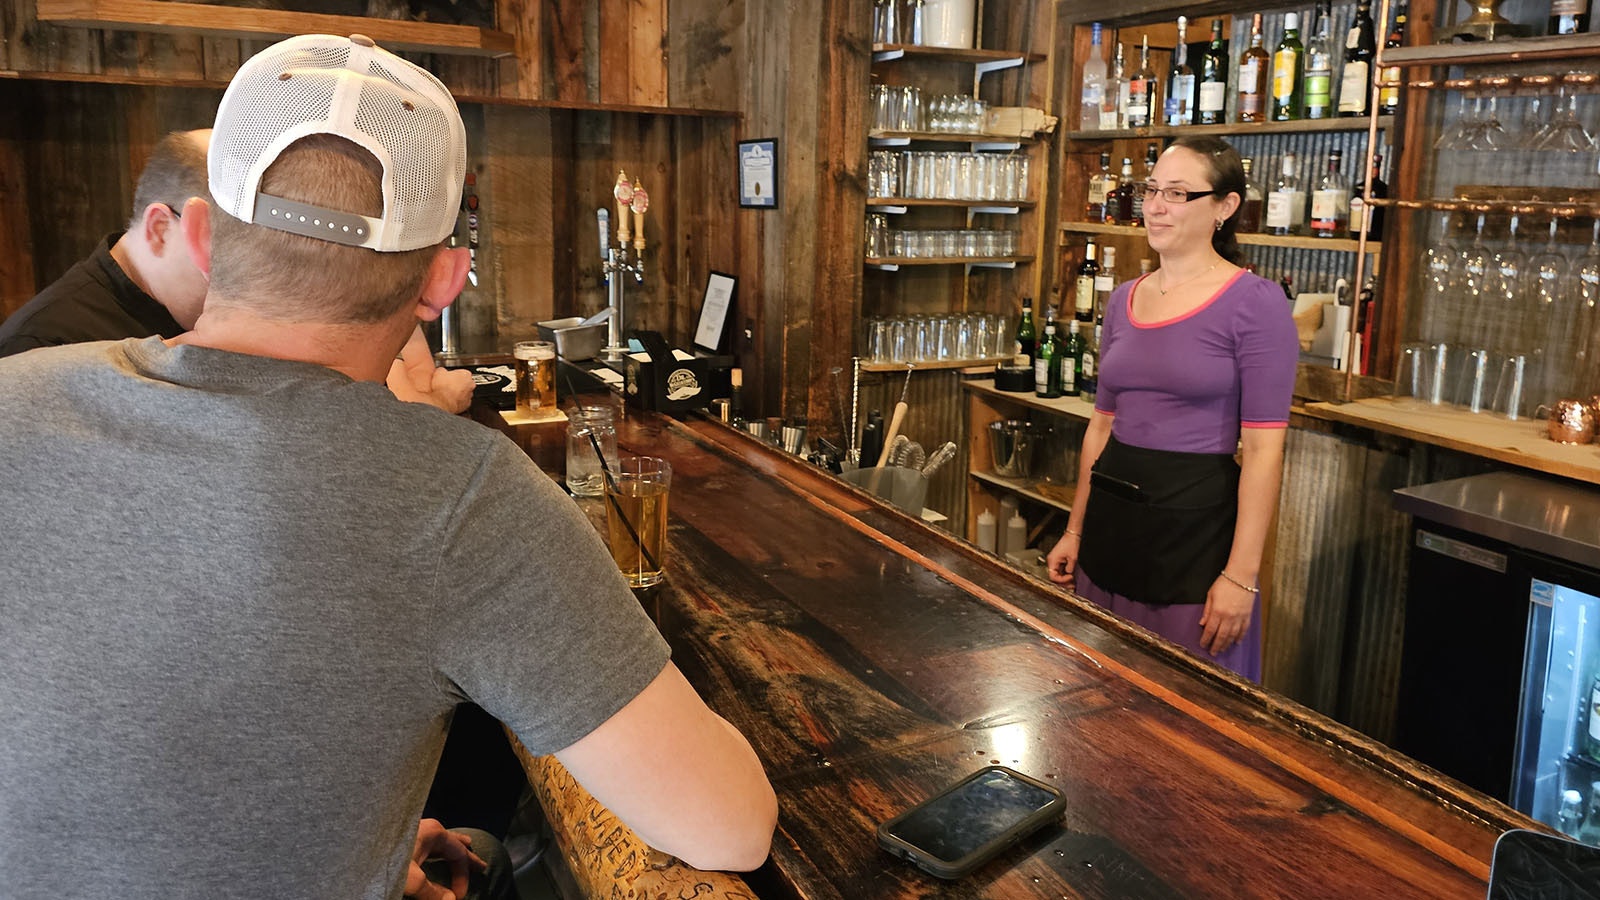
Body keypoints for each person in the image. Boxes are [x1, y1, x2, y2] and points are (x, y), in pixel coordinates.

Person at [0, 32, 776, 900]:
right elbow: (730, 826)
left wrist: (339, 834)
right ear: (445, 279)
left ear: (203, 236)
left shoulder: (13, 397)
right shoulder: (462, 498)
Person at [1044, 136, 1298, 683]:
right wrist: (1076, 530)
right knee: (1094, 698)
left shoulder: (1256, 304)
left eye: (1177, 194)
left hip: (1194, 540)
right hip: (1111, 530)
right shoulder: (1124, 297)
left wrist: (1240, 577)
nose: (1155, 206)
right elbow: (1102, 426)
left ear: (1225, 208)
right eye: (1152, 190)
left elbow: (1262, 450)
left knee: (1185, 718)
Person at [0, 128, 475, 414]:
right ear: (164, 230)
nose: (261, 269)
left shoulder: (218, 320)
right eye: (237, 240)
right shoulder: (37, 353)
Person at [0, 129, 210, 357]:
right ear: (160, 230)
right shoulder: (40, 345)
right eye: (230, 250)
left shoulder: (183, 308)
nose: (248, 279)